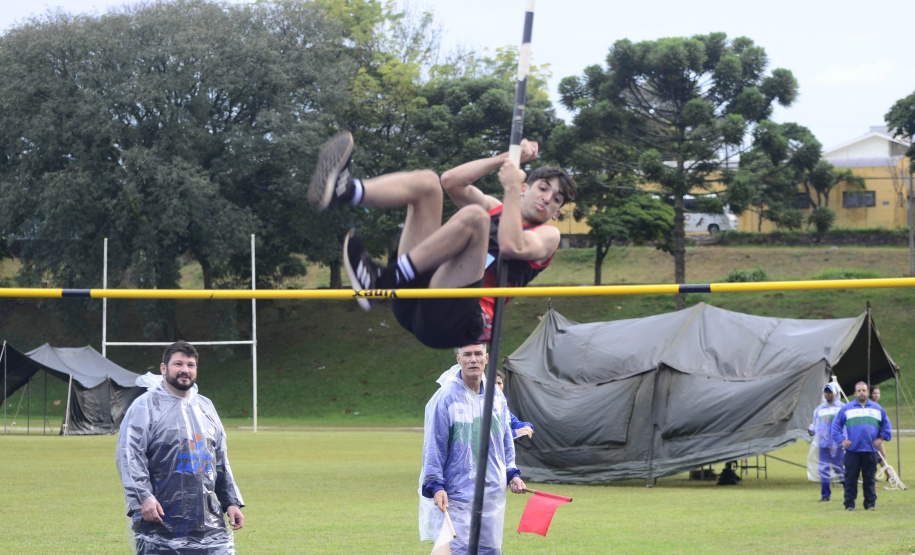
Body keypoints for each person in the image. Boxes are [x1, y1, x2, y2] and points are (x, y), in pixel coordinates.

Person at [308, 131, 575, 349]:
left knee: (475, 218)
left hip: (454, 321)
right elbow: (451, 181)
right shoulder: (496, 207)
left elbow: (510, 245)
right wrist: (505, 158)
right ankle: (346, 191)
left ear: (556, 213)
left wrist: (511, 188)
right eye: (543, 188)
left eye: (556, 200)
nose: (548, 199)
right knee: (428, 183)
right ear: (527, 188)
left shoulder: (548, 235)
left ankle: (384, 280)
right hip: (420, 294)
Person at [116, 341, 245, 553]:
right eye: (178, 364)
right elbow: (129, 456)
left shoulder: (206, 407)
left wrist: (230, 501)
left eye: (190, 365)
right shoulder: (145, 406)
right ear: (164, 368)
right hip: (160, 518)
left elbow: (219, 460)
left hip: (207, 519)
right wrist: (143, 497)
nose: (185, 369)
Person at [418, 344, 526, 554]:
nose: (473, 359)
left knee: (490, 551)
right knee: (459, 550)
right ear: (458, 359)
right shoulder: (446, 397)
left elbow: (504, 439)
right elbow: (434, 446)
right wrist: (436, 484)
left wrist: (511, 472)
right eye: (467, 354)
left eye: (478, 354)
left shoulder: (496, 397)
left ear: (486, 358)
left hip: (492, 495)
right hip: (457, 496)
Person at [830, 381, 893, 511]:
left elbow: (887, 425)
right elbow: (835, 427)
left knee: (869, 479)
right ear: (854, 393)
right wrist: (842, 440)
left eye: (864, 390)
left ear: (868, 392)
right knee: (850, 479)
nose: (861, 393)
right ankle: (849, 504)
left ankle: (870, 504)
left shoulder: (877, 408)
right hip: (852, 451)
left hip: (870, 450)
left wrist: (881, 438)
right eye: (859, 391)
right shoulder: (847, 408)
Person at [808, 384, 844, 501]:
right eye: (826, 392)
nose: (828, 394)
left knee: (839, 469)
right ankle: (825, 495)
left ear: (835, 393)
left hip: (837, 445)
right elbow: (815, 424)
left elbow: (846, 426)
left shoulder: (842, 408)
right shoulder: (819, 409)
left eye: (830, 392)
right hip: (823, 444)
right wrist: (812, 430)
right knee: (823, 469)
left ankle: (848, 491)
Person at [495, 370, 534, 440]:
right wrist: (516, 433)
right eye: (494, 383)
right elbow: (495, 436)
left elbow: (515, 423)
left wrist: (527, 426)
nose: (497, 386)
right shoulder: (484, 406)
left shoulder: (502, 405)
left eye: (499, 383)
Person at [869, 385, 890, 478]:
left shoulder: (878, 407)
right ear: (870, 394)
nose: (877, 395)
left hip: (878, 436)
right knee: (879, 456)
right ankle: (889, 476)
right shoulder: (868, 406)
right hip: (871, 436)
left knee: (881, 456)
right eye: (874, 393)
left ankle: (888, 476)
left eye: (878, 393)